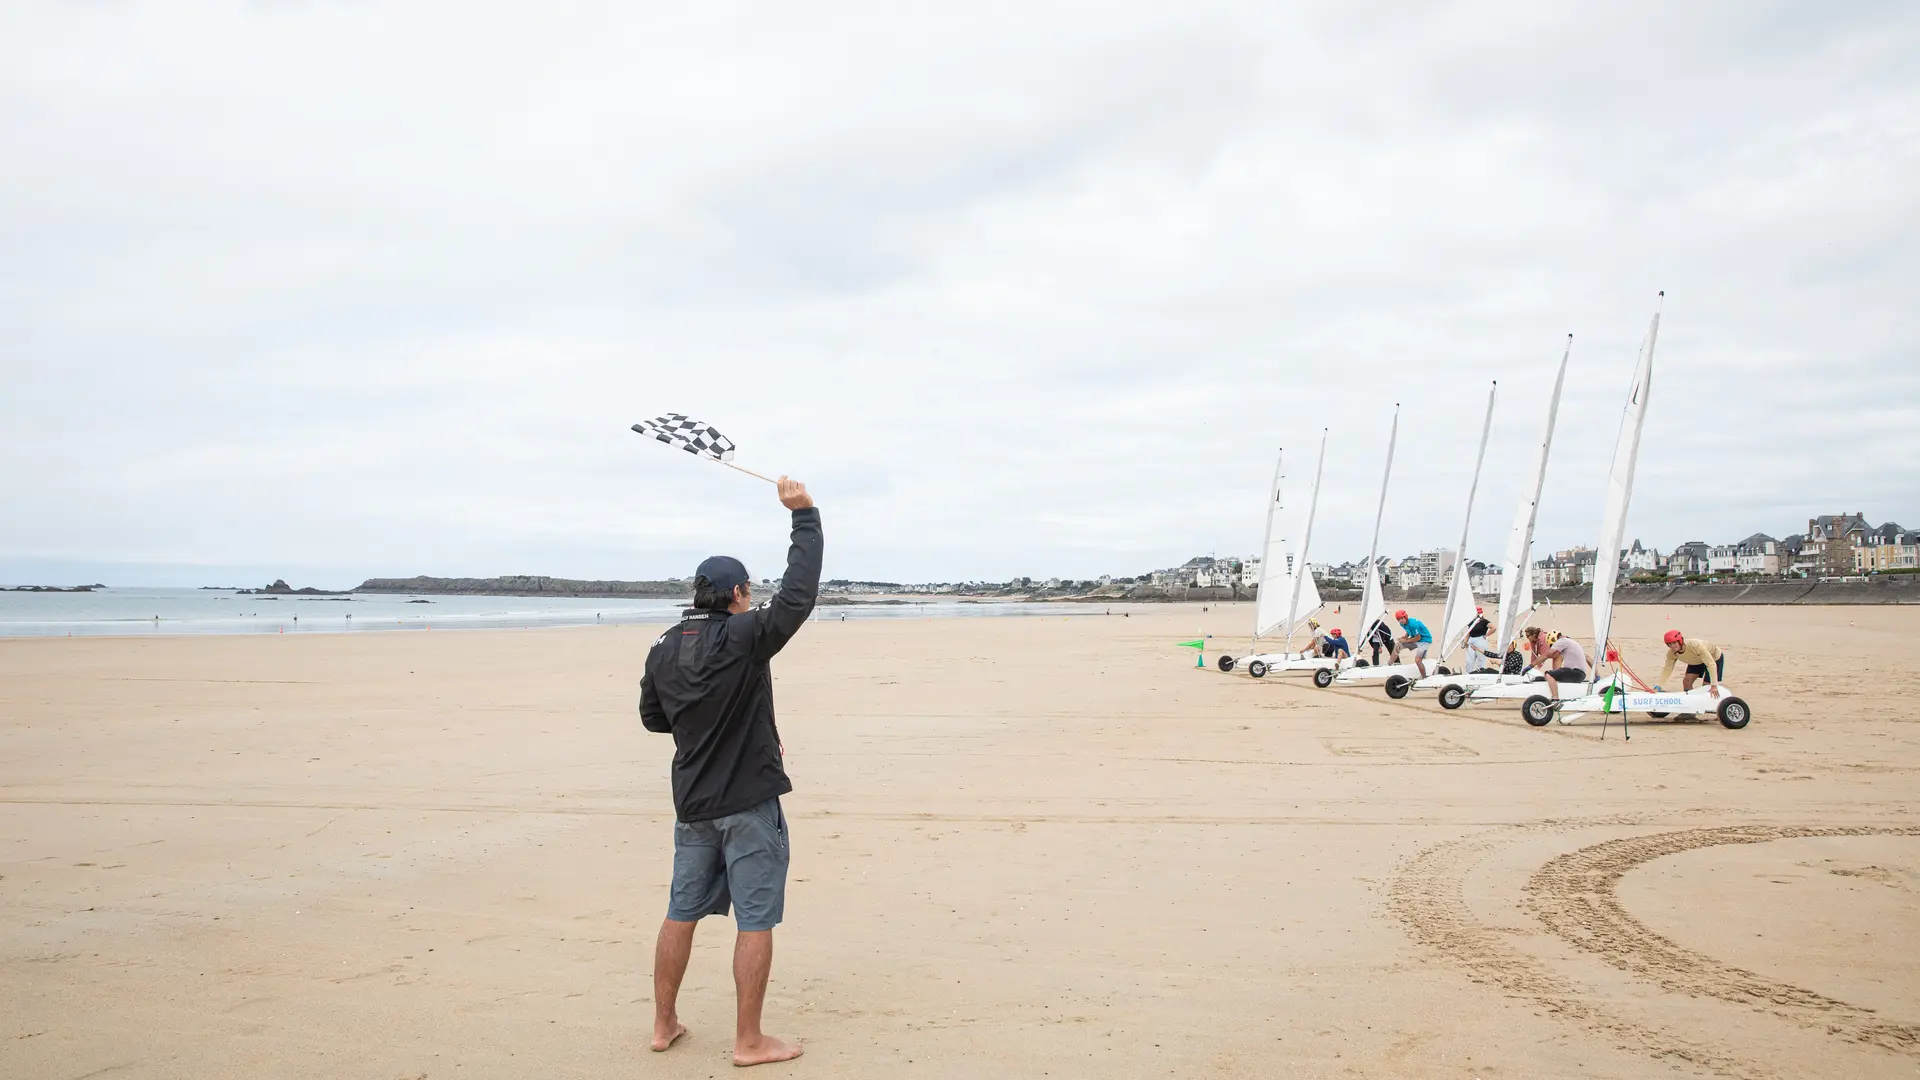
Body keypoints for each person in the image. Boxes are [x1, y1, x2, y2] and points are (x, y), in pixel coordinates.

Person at [640, 476, 821, 1067]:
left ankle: (664, 1023)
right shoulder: (744, 635)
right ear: (739, 594)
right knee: (755, 917)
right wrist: (804, 516)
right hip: (745, 802)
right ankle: (748, 1040)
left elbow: (654, 717)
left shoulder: (665, 644)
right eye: (748, 592)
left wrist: (704, 725)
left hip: (693, 803)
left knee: (681, 910)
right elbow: (797, 597)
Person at [1656, 630, 1724, 719]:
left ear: (1680, 641)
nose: (1672, 646)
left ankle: (1720, 708)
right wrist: (1658, 686)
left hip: (1713, 658)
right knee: (1687, 682)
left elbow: (1711, 664)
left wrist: (1714, 685)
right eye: (1669, 644)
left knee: (1706, 686)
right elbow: (1667, 669)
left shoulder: (1695, 645)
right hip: (1695, 660)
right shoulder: (1671, 653)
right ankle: (1690, 711)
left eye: (1674, 643)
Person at [1525, 626, 1589, 699]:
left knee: (1548, 674)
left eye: (1552, 645)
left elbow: (1545, 655)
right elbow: (1588, 658)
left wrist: (1531, 666)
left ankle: (1555, 698)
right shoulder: (1570, 642)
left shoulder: (1560, 642)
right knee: (1554, 673)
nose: (1552, 647)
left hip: (1575, 673)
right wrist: (1597, 676)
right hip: (1581, 674)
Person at [1395, 610, 1433, 677]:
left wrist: (1406, 641)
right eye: (1399, 619)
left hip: (1425, 641)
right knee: (1398, 646)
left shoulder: (1413, 624)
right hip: (1417, 639)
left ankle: (1424, 677)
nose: (1401, 620)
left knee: (1418, 660)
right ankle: (1391, 664)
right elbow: (1408, 630)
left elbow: (1418, 638)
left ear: (1405, 617)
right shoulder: (1402, 624)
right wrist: (1405, 637)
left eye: (1402, 618)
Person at [1463, 606, 1492, 673]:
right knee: (1469, 660)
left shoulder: (1484, 621)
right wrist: (1465, 642)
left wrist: (1486, 635)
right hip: (1472, 639)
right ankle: (1468, 672)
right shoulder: (1471, 622)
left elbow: (1493, 627)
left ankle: (1481, 672)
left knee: (1481, 658)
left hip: (1480, 639)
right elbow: (1468, 632)